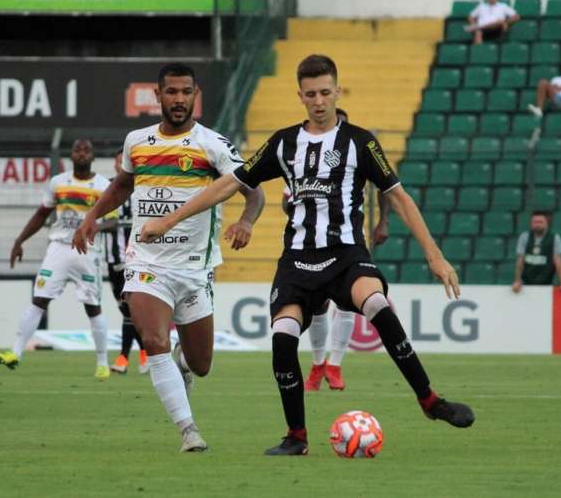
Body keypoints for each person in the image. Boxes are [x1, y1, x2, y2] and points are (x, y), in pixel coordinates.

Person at [138, 54, 475, 456]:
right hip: (297, 261)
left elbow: (398, 198)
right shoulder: (283, 143)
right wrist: (168, 220)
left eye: (326, 93)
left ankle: (430, 401)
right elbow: (227, 185)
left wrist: (435, 256)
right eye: (311, 94)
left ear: (337, 91)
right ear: (300, 96)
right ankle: (296, 437)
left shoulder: (361, 142)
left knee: (379, 305)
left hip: (346, 254)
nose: (319, 101)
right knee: (282, 340)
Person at [73, 62, 265, 452]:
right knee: (154, 339)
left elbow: (253, 190)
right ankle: (188, 429)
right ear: (157, 95)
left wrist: (246, 220)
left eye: (186, 92)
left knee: (202, 364)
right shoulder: (137, 141)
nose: (179, 100)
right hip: (146, 263)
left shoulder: (213, 144)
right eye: (172, 92)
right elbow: (123, 185)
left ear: (196, 96)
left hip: (194, 270)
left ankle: (184, 364)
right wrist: (92, 216)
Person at [282, 108, 391, 392]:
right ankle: (318, 364)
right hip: (312, 246)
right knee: (317, 306)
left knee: (346, 304)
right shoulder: (303, 158)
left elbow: (386, 187)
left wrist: (383, 221)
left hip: (347, 241)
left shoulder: (357, 151)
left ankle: (335, 365)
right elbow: (287, 199)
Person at [0, 139, 112, 380]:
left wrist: (95, 227)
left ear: (93, 156)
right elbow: (41, 214)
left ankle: (102, 363)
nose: (81, 153)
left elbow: (112, 220)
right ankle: (15, 352)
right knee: (39, 300)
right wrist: (20, 240)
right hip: (59, 248)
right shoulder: (58, 183)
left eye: (86, 150)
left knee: (92, 306)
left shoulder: (103, 186)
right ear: (71, 155)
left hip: (87, 251)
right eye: (77, 149)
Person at [104, 149, 149, 375]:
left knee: (130, 309)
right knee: (127, 311)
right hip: (112, 259)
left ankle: (123, 358)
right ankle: (144, 353)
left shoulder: (143, 187)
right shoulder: (108, 188)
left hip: (135, 259)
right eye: (117, 161)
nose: (121, 163)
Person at [512, 211, 561, 293]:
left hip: (546, 283)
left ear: (547, 223)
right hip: (526, 284)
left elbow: (558, 261)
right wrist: (517, 280)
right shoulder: (524, 237)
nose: (537, 225)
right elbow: (520, 260)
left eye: (540, 222)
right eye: (535, 222)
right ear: (531, 224)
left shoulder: (555, 238)